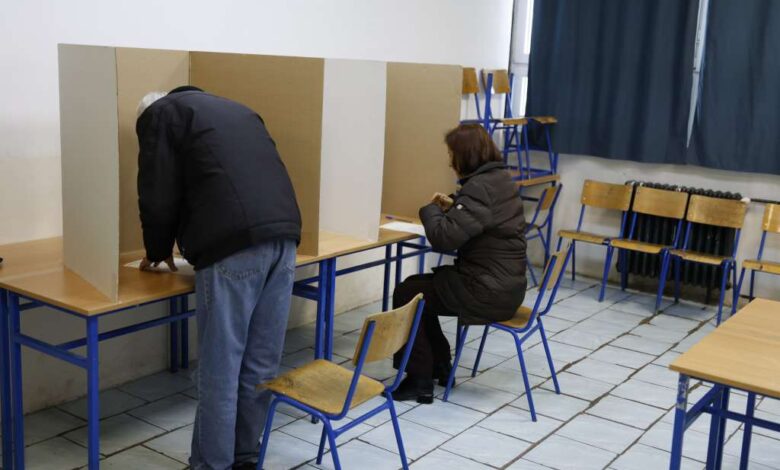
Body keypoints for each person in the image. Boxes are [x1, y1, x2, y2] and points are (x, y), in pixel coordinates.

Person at [135, 86, 301, 470]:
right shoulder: (236, 109)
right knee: (260, 364)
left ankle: (211, 465)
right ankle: (244, 457)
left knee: (220, 370)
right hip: (284, 237)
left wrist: (157, 250)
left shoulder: (160, 115)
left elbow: (157, 196)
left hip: (232, 246)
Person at [392, 124, 527, 403]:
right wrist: (455, 206)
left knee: (408, 294)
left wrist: (429, 209)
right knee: (417, 288)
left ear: (466, 155)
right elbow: (482, 218)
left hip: (486, 291)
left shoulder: (479, 187)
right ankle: (439, 366)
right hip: (507, 287)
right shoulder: (501, 179)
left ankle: (419, 379)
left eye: (452, 154)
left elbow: (443, 239)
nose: (450, 162)